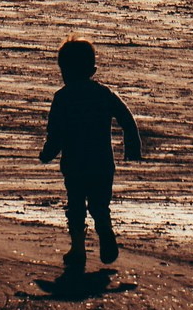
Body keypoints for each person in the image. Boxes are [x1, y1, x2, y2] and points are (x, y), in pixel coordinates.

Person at [39, 35, 141, 267]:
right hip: (102, 163)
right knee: (99, 205)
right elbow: (126, 118)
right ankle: (104, 231)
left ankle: (78, 248)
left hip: (74, 165)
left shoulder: (62, 98)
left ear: (64, 70)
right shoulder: (103, 94)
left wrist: (47, 153)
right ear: (92, 70)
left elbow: (56, 133)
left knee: (75, 205)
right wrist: (132, 145)